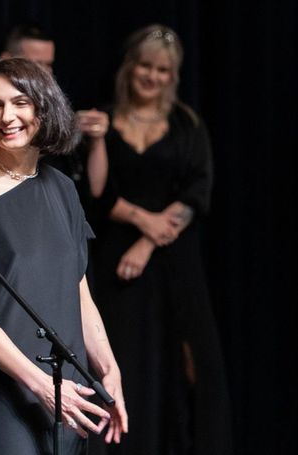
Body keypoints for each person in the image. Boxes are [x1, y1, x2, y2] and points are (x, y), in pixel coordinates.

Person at [0, 57, 128, 455]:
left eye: (20, 102)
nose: (7, 116)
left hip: (70, 392)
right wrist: (41, 385)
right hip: (6, 392)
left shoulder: (62, 188)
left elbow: (79, 294)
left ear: (44, 106)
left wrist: (109, 370)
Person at [89, 25, 233, 454]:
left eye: (163, 70)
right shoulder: (105, 119)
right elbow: (95, 195)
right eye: (146, 66)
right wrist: (140, 221)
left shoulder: (187, 125)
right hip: (115, 260)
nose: (152, 76)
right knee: (124, 358)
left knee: (186, 365)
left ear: (174, 76)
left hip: (174, 259)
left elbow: (196, 193)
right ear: (131, 68)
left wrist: (149, 239)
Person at [0, 23, 109, 214]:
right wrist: (63, 129)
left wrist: (97, 138)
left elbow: (96, 189)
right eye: (35, 63)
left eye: (48, 64)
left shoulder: (59, 110)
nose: (44, 73)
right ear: (7, 60)